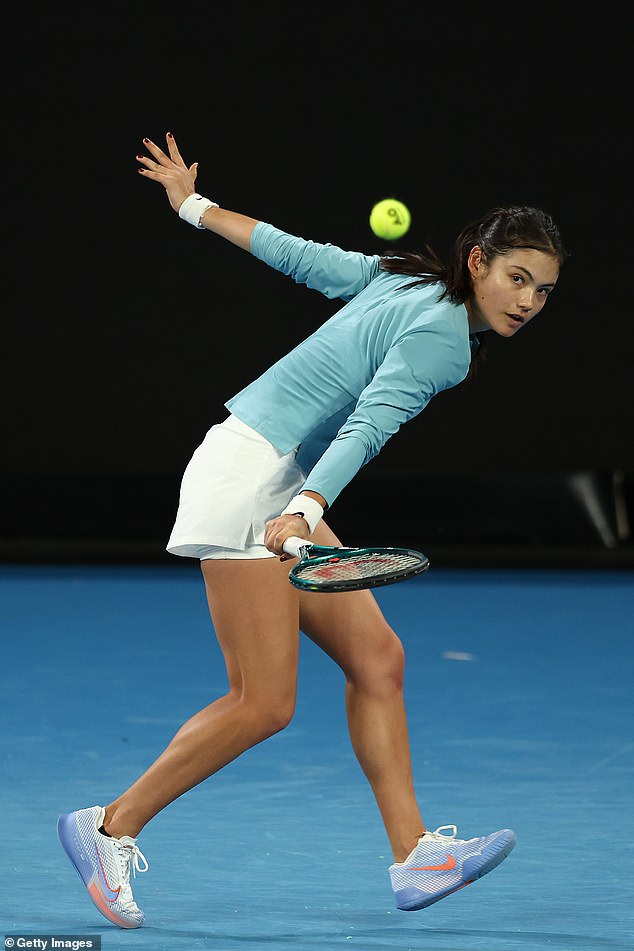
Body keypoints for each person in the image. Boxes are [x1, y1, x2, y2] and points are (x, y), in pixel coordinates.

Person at [57, 133, 566, 929]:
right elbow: (368, 424)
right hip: (251, 479)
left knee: (377, 659)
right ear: (477, 263)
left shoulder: (396, 276)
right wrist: (307, 508)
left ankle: (415, 855)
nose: (528, 301)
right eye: (517, 278)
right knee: (262, 701)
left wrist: (192, 205)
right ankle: (109, 825)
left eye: (542, 289)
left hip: (271, 472)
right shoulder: (443, 343)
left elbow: (294, 253)